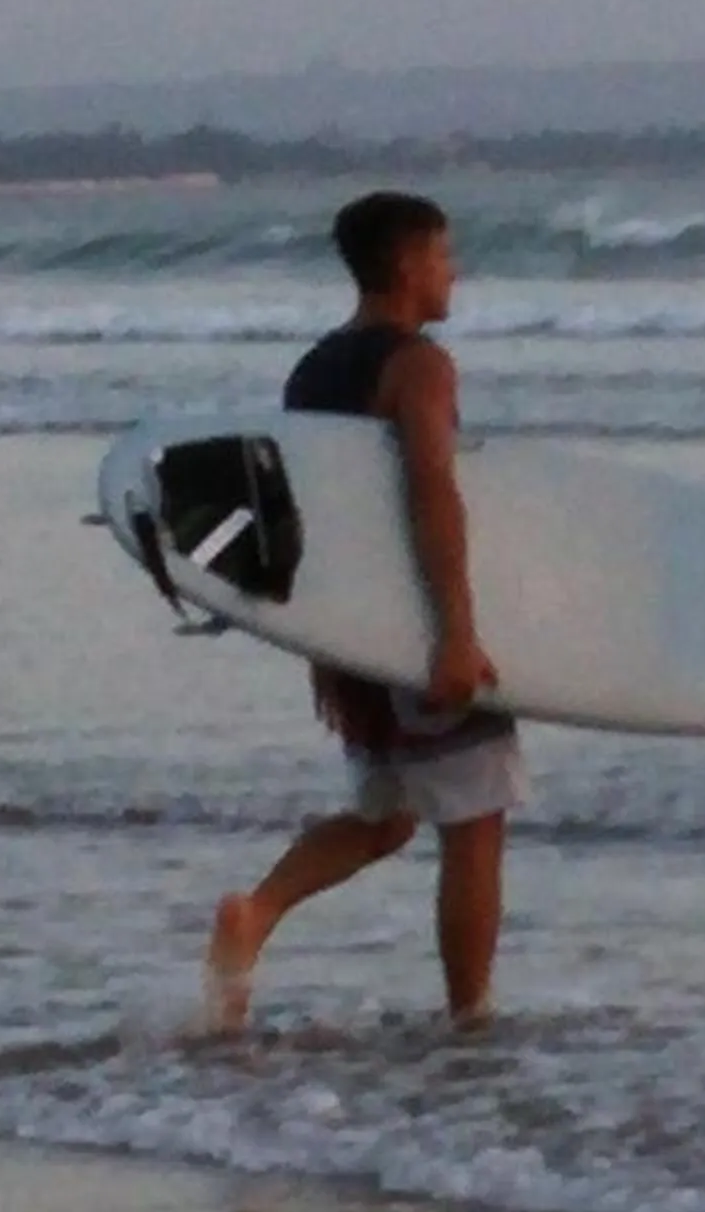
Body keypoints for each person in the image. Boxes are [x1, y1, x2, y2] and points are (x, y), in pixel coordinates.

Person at [204, 191, 525, 1036]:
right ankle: (471, 1022)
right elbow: (431, 492)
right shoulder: (420, 365)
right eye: (444, 255)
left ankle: (258, 911)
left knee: (386, 818)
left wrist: (323, 638)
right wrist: (456, 635)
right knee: (475, 823)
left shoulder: (313, 369)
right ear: (409, 263)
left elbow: (315, 509)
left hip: (355, 630)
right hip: (414, 624)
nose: (453, 272)